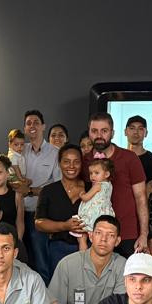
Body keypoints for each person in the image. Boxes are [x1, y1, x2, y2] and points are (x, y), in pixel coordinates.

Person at [87, 112, 149, 255]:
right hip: (95, 235)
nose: (99, 135)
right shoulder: (85, 160)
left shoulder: (129, 158)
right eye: (94, 131)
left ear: (112, 133)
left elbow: (141, 197)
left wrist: (144, 234)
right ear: (89, 133)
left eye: (104, 131)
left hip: (127, 233)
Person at [34, 143, 86, 281]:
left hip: (88, 249)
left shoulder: (91, 189)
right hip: (58, 250)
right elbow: (39, 223)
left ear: (82, 164)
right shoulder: (48, 191)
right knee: (60, 288)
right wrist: (65, 226)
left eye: (76, 162)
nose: (71, 166)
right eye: (66, 161)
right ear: (59, 163)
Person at [21, 110, 62, 275]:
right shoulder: (19, 150)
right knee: (21, 259)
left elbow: (57, 186)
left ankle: (44, 290)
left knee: (41, 261)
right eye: (28, 123)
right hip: (19, 213)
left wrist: (30, 190)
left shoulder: (55, 153)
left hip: (41, 215)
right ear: (24, 128)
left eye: (36, 122)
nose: (32, 126)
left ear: (43, 126)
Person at [75, 157, 115, 250]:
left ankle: (83, 252)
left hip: (93, 213)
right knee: (97, 236)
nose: (92, 176)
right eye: (91, 173)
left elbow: (86, 198)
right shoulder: (109, 185)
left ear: (106, 174)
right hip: (104, 214)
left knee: (82, 235)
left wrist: (81, 194)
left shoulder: (98, 185)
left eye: (96, 173)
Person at [124, 115, 152, 183]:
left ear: (146, 133)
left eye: (140, 129)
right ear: (125, 132)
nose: (136, 132)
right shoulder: (118, 158)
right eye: (132, 128)